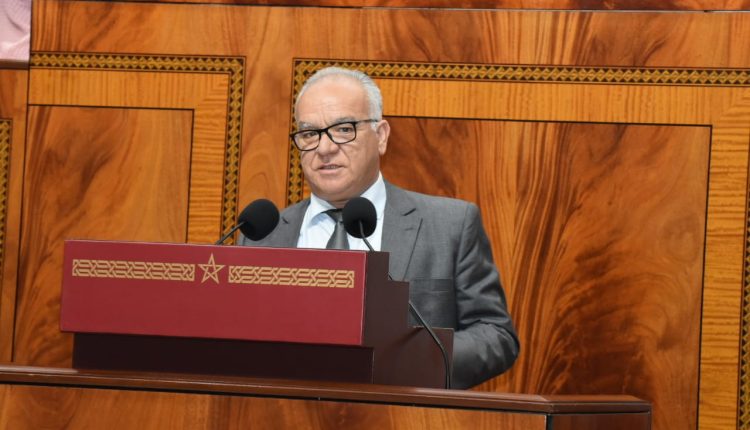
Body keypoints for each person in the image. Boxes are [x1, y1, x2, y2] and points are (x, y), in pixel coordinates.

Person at [240, 67, 519, 389]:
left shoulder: (450, 225)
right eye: (309, 134)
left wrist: (412, 361)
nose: (324, 148)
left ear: (381, 136)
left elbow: (495, 335)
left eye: (343, 129)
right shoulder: (261, 236)